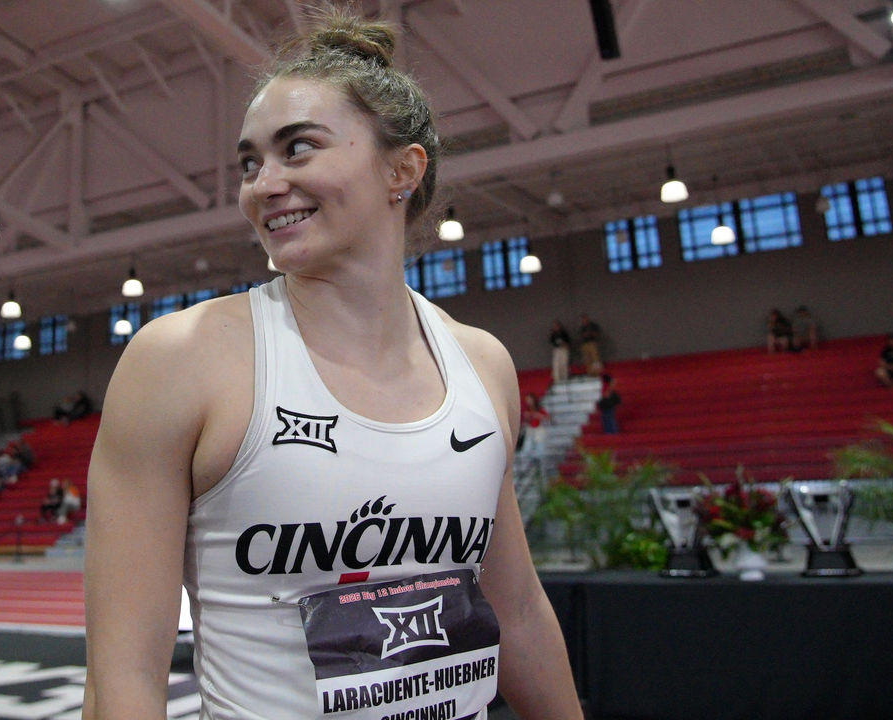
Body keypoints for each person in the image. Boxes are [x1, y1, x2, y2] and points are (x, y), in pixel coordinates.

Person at [82, 8, 581, 720]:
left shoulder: (483, 366)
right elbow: (123, 677)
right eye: (251, 163)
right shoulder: (182, 360)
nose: (263, 183)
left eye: (298, 149)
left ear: (402, 170)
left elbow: (520, 612)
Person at [520, 394, 552, 472]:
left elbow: (547, 418)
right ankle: (529, 464)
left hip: (538, 429)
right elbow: (523, 422)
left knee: (539, 448)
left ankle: (539, 465)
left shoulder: (539, 409)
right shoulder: (527, 410)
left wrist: (538, 416)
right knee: (526, 449)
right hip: (530, 429)